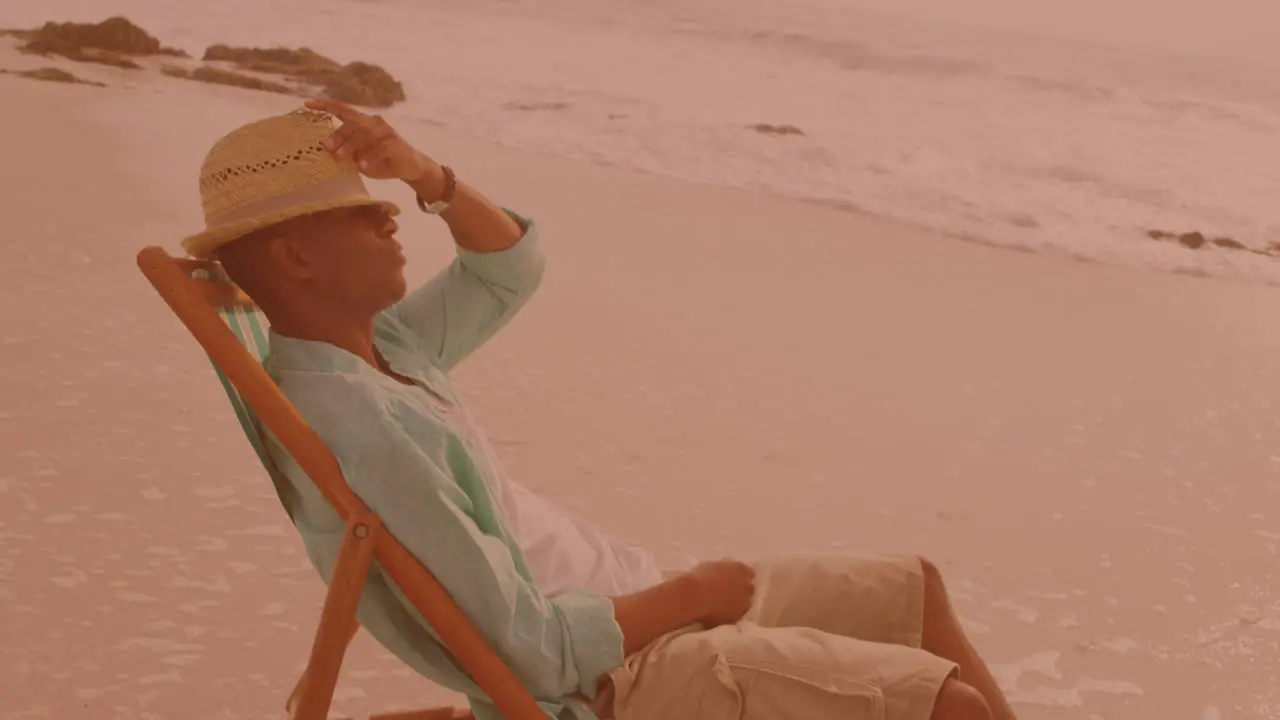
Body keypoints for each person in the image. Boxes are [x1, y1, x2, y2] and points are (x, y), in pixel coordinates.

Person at [182, 101, 1016, 720]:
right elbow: (530, 655)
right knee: (949, 710)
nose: (391, 217)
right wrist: (691, 594)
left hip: (636, 601)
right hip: (618, 675)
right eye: (365, 212)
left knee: (915, 591)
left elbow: (508, 268)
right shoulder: (364, 428)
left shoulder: (387, 350)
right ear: (295, 255)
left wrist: (429, 176)